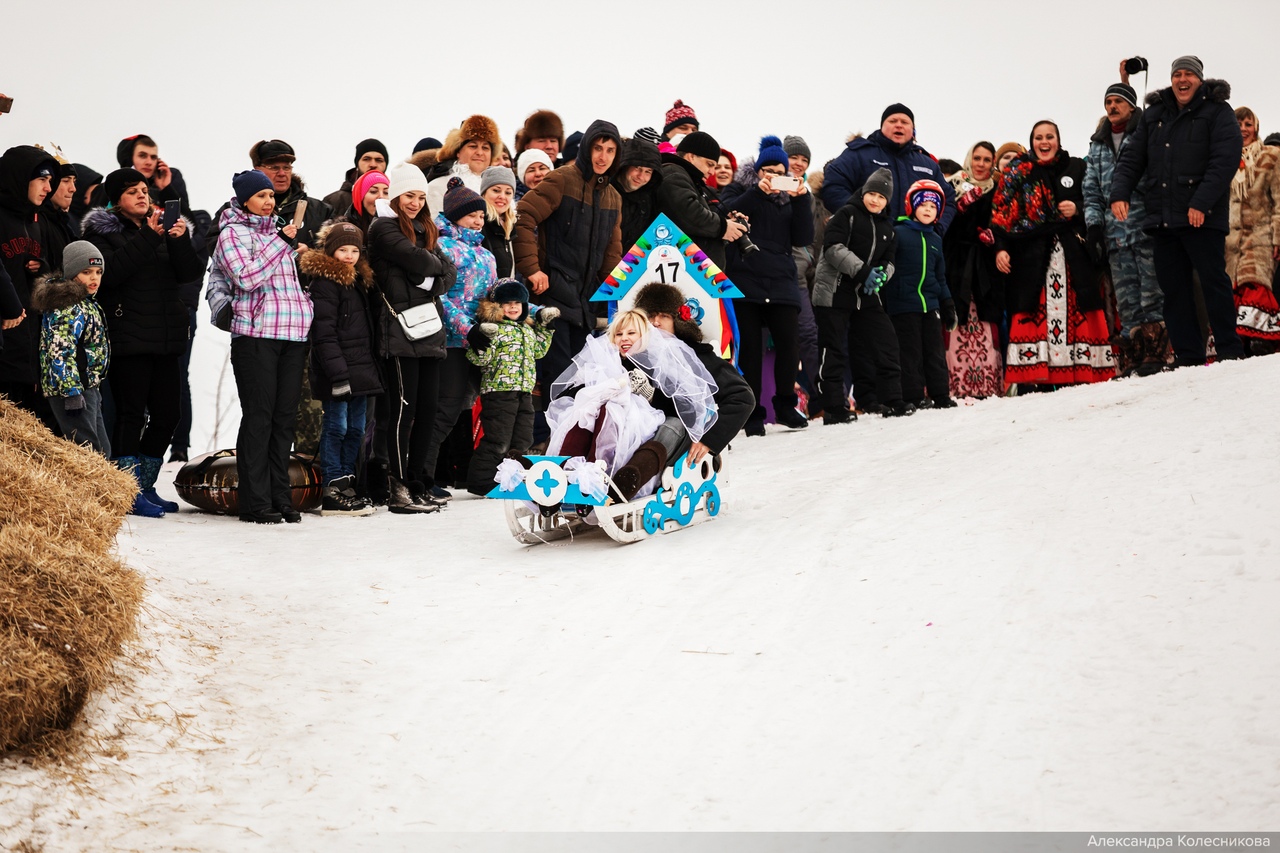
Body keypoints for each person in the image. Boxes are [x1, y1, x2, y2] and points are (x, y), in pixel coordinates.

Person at [83, 168, 202, 517]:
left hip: (165, 337)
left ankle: (144, 485)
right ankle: (126, 492)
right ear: (116, 199)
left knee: (168, 415)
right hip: (127, 336)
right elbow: (112, 272)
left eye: (145, 190)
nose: (142, 195)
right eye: (132, 191)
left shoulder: (162, 229)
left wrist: (178, 239)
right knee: (130, 415)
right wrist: (151, 236)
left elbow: (189, 273)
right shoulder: (100, 233)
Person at [1111, 56, 1245, 365]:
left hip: (1202, 219)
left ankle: (1229, 350)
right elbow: (1132, 157)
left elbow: (1225, 159)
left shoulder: (1217, 111)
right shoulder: (1154, 114)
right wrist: (1120, 192)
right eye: (1177, 75)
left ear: (1199, 79)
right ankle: (1188, 357)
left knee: (1213, 283)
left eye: (1188, 75)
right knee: (1174, 291)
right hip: (1163, 220)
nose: (1182, 80)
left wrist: (1201, 202)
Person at [209, 170, 314, 524]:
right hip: (255, 336)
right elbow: (247, 277)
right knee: (260, 416)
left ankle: (281, 497)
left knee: (284, 420)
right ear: (244, 200)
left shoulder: (278, 234)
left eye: (271, 196)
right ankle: (255, 501)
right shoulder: (231, 233)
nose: (269, 202)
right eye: (261, 196)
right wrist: (281, 244)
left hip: (293, 334)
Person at [993, 121, 1115, 386]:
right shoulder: (1018, 172)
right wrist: (1001, 250)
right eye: (1038, 137)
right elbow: (1001, 217)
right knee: (1033, 310)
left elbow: (1098, 199)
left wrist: (1078, 208)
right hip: (1031, 258)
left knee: (1080, 308)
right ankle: (1035, 377)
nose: (1044, 142)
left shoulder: (1076, 168)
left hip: (1073, 256)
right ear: (1032, 141)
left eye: (1050, 136)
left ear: (1058, 140)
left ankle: (1080, 371)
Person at [547, 309, 713, 502]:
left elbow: (684, 408)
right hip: (607, 422)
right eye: (619, 334)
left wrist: (650, 394)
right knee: (582, 412)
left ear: (644, 336)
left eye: (631, 333)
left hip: (646, 424)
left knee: (629, 415)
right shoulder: (606, 362)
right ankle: (563, 472)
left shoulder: (657, 363)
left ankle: (622, 478)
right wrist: (595, 388)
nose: (624, 338)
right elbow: (568, 394)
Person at [367, 161, 455, 514]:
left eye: (420, 196)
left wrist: (429, 272)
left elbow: (449, 273)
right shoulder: (383, 228)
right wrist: (429, 269)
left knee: (428, 410)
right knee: (404, 412)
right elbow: (422, 262)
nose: (415, 202)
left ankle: (419, 484)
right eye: (409, 195)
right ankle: (398, 487)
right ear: (396, 195)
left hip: (429, 331)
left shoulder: (425, 228)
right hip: (398, 333)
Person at [514, 119, 624, 399]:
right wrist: (533, 270)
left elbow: (612, 254)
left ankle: (568, 440)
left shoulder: (613, 197)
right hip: (553, 296)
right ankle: (548, 441)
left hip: (586, 303)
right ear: (587, 148)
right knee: (557, 377)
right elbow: (523, 215)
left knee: (582, 379)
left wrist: (620, 295)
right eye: (598, 148)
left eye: (610, 150)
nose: (603, 156)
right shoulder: (562, 178)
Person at [721, 136, 814, 434]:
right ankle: (751, 414)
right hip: (745, 277)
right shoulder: (741, 189)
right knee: (749, 348)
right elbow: (727, 211)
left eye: (779, 170)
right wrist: (758, 193)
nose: (774, 176)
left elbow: (802, 237)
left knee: (790, 343)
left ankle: (786, 406)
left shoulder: (791, 197)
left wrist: (802, 199)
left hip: (782, 280)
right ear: (759, 170)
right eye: (768, 170)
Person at [812, 168, 913, 421]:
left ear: (887, 201)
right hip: (834, 292)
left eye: (881, 196)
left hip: (865, 295)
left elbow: (890, 262)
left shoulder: (888, 229)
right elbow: (833, 249)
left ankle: (891, 399)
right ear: (864, 192)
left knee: (885, 342)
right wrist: (864, 273)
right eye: (872, 193)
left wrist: (879, 278)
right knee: (833, 350)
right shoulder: (846, 215)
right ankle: (834, 408)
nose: (875, 200)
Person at [1083, 81, 1166, 375]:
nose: (1113, 107)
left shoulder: (1144, 135)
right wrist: (1094, 228)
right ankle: (1133, 356)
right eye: (1109, 102)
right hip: (1114, 234)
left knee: (1151, 292)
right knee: (1127, 298)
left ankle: (1157, 353)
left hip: (1145, 227)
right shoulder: (1097, 144)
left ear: (1131, 106)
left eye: (1119, 101)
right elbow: (1090, 190)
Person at [423, 178, 498, 501]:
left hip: (479, 340)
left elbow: (492, 295)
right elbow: (439, 297)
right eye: (471, 214)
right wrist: (466, 328)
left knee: (467, 409)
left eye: (481, 215)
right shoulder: (443, 246)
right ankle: (422, 475)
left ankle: (472, 474)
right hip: (451, 339)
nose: (478, 220)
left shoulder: (486, 253)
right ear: (453, 215)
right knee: (445, 409)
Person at [300, 221, 381, 517]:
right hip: (337, 373)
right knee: (337, 427)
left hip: (360, 371)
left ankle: (348, 483)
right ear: (330, 251)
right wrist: (338, 375)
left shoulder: (359, 280)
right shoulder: (325, 282)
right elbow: (323, 334)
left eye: (354, 250)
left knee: (357, 430)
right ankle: (333, 486)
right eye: (342, 250)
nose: (348, 255)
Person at [632, 281, 755, 464]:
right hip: (631, 434)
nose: (656, 323)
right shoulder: (627, 354)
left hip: (670, 441)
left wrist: (709, 439)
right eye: (650, 316)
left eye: (664, 316)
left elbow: (742, 397)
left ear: (677, 321)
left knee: (673, 426)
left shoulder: (697, 356)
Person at [464, 279, 557, 495]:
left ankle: (511, 477)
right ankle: (480, 481)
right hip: (499, 392)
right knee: (499, 440)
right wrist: (483, 339)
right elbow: (479, 359)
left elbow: (539, 352)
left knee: (523, 439)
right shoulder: (495, 329)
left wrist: (546, 329)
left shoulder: (526, 330)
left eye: (518, 302)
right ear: (497, 306)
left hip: (524, 391)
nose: (513, 307)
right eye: (508, 303)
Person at [821, 104, 957, 232]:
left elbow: (948, 199)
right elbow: (834, 186)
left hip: (913, 246)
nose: (899, 125)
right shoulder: (859, 154)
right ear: (882, 126)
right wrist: (857, 219)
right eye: (893, 121)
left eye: (904, 122)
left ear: (913, 129)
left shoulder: (928, 164)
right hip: (867, 242)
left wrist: (937, 229)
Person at [30, 241, 111, 454]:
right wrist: (71, 393)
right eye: (86, 272)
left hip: (87, 386)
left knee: (102, 452)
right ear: (73, 273)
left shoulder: (86, 303)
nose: (94, 278)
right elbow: (59, 351)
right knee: (88, 451)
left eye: (98, 272)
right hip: (71, 391)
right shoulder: (67, 306)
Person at [0, 145, 61, 425]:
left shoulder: (36, 222)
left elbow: (48, 282)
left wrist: (42, 269)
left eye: (51, 181)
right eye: (42, 179)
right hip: (5, 332)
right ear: (20, 177)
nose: (49, 188)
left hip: (28, 341)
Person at [884, 181, 956, 409]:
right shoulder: (899, 233)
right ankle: (913, 396)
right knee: (910, 352)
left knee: (934, 352)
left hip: (931, 305)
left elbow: (940, 277)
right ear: (911, 206)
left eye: (933, 206)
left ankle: (941, 394)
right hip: (904, 305)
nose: (928, 209)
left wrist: (947, 303)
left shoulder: (935, 239)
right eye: (923, 204)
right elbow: (888, 267)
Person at [943, 141, 1007, 397]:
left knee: (985, 323)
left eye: (987, 160)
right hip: (956, 263)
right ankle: (956, 385)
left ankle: (987, 385)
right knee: (957, 322)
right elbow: (942, 224)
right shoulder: (953, 186)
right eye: (977, 158)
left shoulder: (997, 190)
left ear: (993, 163)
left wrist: (993, 237)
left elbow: (1001, 223)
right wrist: (959, 208)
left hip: (985, 265)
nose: (981, 164)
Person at [1225, 107, 1280, 352]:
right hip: (1230, 240)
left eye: (1248, 124)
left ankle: (1263, 340)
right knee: (1233, 289)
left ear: (1255, 127)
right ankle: (1241, 343)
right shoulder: (1223, 159)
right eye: (1238, 124)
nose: (1243, 130)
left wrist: (1278, 235)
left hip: (1261, 236)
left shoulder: (1271, 156)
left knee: (1256, 285)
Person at [656, 131, 747, 272]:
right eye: (710, 164)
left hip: (688, 271)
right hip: (679, 271)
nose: (712, 172)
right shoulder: (673, 173)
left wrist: (727, 222)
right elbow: (688, 213)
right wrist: (723, 227)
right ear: (691, 157)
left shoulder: (689, 179)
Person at [424, 115, 503, 217]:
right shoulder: (438, 186)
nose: (479, 152)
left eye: (485, 148)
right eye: (473, 146)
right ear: (458, 152)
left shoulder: (499, 189)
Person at [613, 136, 663, 250]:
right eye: (637, 167)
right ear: (625, 165)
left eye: (648, 171)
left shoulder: (650, 202)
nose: (641, 176)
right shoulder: (603, 192)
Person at [324, 138, 388, 215]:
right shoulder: (334, 201)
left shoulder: (396, 199)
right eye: (366, 159)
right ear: (357, 163)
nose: (373, 164)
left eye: (379, 160)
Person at [479, 166, 518, 278]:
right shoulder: (478, 224)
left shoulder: (509, 225)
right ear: (484, 193)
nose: (502, 196)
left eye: (508, 192)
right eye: (496, 190)